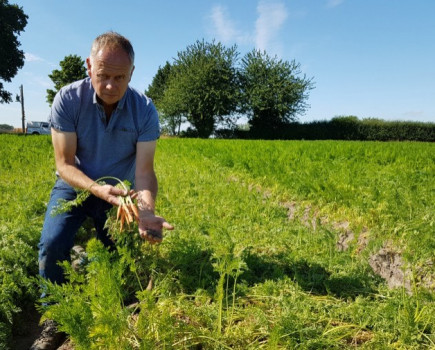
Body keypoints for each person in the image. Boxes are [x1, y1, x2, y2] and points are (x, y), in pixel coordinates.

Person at [31, 31, 173, 350]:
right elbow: (65, 164)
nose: (110, 85)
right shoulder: (68, 99)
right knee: (52, 244)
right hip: (76, 184)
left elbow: (145, 171)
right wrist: (96, 189)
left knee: (111, 257)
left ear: (132, 73)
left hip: (120, 193)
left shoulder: (145, 110)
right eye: (103, 75)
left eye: (119, 78)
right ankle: (54, 316)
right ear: (89, 66)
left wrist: (146, 210)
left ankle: (100, 298)